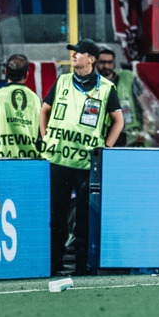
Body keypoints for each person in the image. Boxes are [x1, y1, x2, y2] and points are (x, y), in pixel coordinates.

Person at [40, 38, 123, 276]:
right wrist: (45, 137)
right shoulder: (63, 81)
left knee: (84, 219)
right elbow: (44, 110)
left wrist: (105, 147)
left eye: (79, 52)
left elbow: (119, 120)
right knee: (57, 216)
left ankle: (82, 267)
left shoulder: (106, 87)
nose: (74, 55)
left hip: (86, 163)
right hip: (58, 160)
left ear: (92, 59)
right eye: (73, 52)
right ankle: (54, 265)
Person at [0, 53, 42, 158]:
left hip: (0, 159)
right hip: (29, 159)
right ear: (27, 75)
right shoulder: (36, 99)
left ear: (6, 72)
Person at [96, 47, 150, 146]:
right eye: (102, 62)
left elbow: (144, 106)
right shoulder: (92, 83)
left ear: (114, 63)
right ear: (96, 63)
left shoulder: (128, 78)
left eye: (110, 62)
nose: (106, 66)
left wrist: (145, 131)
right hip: (101, 133)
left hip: (130, 134)